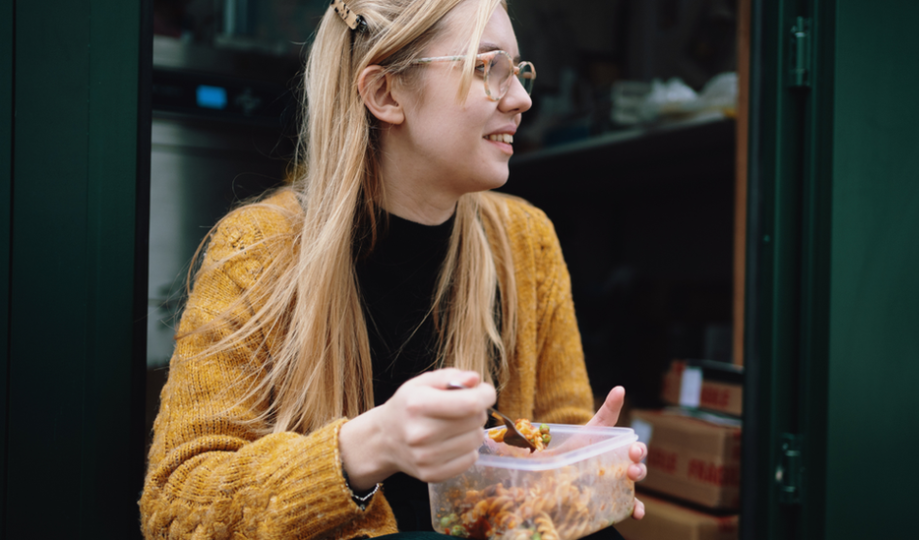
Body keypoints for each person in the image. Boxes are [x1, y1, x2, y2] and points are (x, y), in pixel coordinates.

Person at [139, 0, 648, 538]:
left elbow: (557, 448)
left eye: (519, 71)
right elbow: (175, 507)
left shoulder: (526, 242)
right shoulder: (257, 250)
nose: (521, 98)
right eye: (486, 67)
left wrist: (575, 473)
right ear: (385, 93)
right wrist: (368, 446)